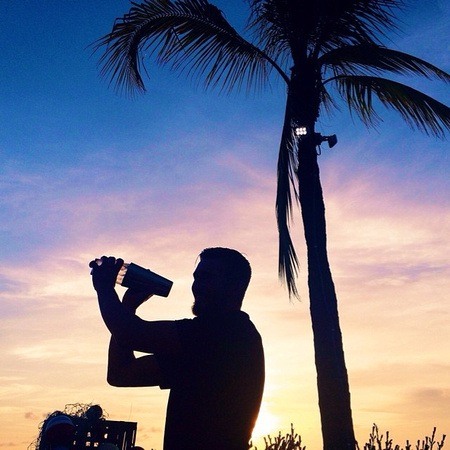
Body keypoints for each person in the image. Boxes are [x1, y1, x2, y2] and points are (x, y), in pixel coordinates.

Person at [90, 247, 265, 450]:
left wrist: (104, 287)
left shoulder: (227, 332)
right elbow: (121, 374)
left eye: (207, 277)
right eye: (196, 278)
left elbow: (131, 333)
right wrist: (127, 306)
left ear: (233, 286)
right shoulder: (203, 348)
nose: (197, 286)